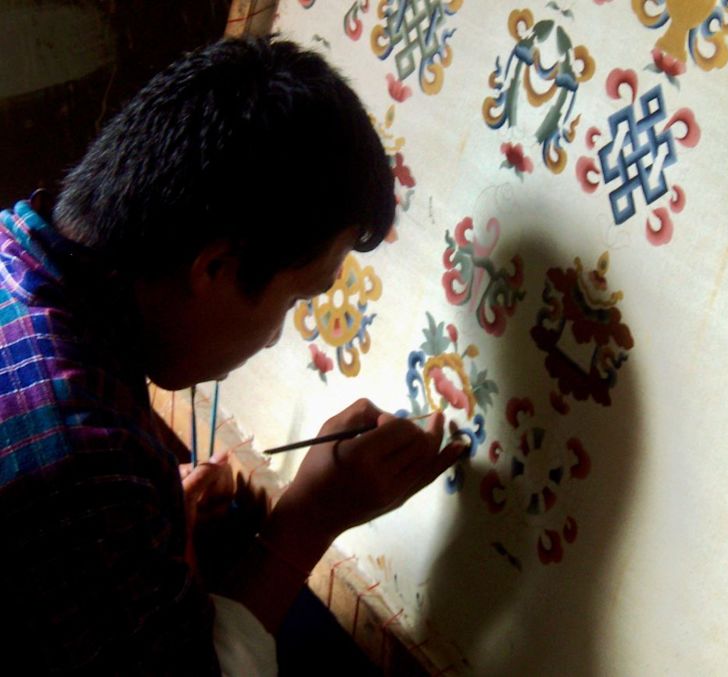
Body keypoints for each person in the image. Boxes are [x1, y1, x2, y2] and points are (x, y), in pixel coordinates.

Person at [0, 36, 465, 675]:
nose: (276, 338)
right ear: (216, 268)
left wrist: (145, 520)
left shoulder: (15, 252)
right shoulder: (86, 471)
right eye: (298, 296)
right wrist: (307, 519)